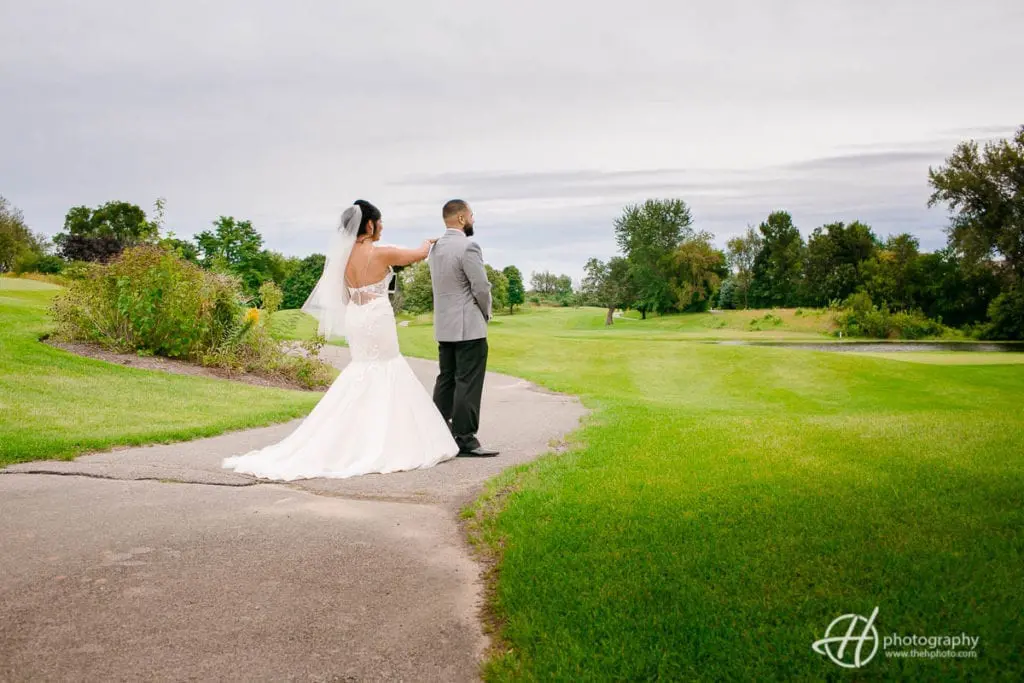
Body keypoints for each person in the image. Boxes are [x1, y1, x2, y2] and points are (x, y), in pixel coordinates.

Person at [222, 200, 459, 480]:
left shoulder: (342, 258)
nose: (382, 226)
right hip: (376, 315)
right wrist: (428, 242)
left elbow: (342, 294)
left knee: (362, 369)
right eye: (380, 221)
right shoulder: (382, 253)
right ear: (369, 225)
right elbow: (417, 254)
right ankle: (383, 440)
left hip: (356, 316)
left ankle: (350, 435)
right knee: (386, 366)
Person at [427, 200, 500, 457]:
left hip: (444, 327)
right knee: (468, 381)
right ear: (460, 218)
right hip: (468, 326)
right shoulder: (469, 247)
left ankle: (436, 432)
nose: (473, 219)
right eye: (471, 215)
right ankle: (465, 438)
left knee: (446, 380)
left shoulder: (434, 249)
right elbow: (480, 287)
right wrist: (486, 312)